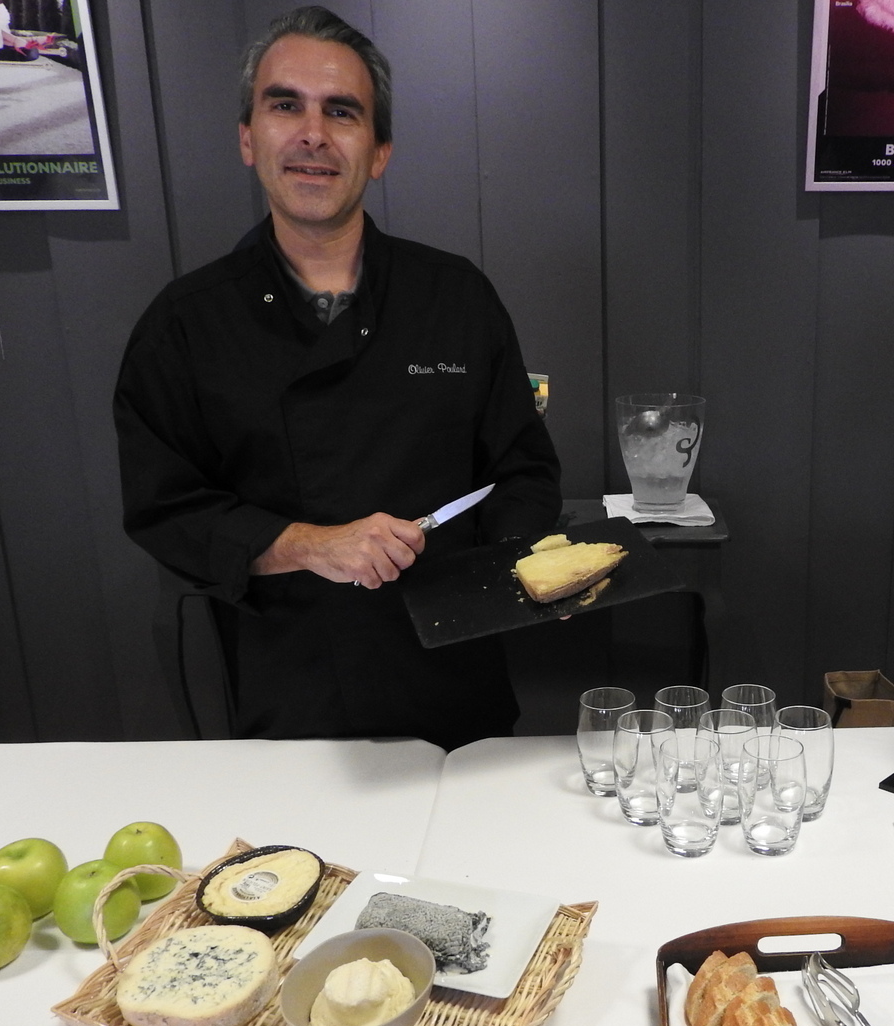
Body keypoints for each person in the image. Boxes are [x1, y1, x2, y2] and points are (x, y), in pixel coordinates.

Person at [113, 6, 561, 750]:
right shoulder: (184, 324)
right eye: (285, 104)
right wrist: (312, 544)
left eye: (343, 113)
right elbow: (167, 512)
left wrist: (523, 567)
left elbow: (525, 472)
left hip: (457, 687)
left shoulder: (456, 297)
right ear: (247, 138)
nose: (313, 134)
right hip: (291, 696)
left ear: (379, 151)